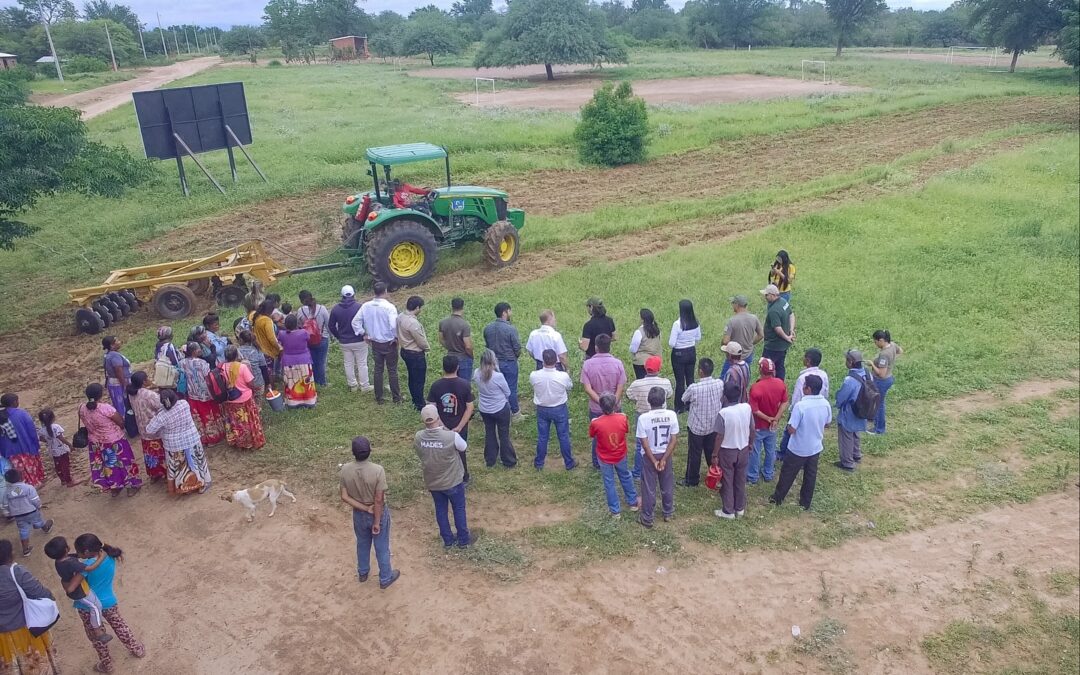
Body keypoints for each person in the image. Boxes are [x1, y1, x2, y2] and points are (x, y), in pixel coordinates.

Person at [73, 534, 146, 673]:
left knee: (97, 635)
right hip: (108, 602)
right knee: (120, 626)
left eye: (79, 551)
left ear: (87, 552)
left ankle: (107, 664)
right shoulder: (109, 555)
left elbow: (72, 587)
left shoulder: (86, 566)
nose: (77, 554)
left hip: (88, 606)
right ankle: (137, 649)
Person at [340, 437, 400, 589]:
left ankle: (363, 572)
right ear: (370, 451)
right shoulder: (378, 470)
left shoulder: (345, 469)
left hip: (358, 514)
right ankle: (386, 577)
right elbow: (378, 500)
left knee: (362, 542)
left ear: (353, 452)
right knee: (381, 545)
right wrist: (376, 521)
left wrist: (364, 508)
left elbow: (344, 496)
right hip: (377, 513)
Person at [415, 405, 472, 549]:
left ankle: (447, 540)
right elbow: (463, 447)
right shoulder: (451, 436)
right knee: (458, 508)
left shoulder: (419, 437)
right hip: (452, 480)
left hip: (433, 481)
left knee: (441, 510)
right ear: (438, 418)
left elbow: (420, 452)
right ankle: (463, 540)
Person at [770, 375, 830, 510]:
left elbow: (791, 430)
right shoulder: (825, 404)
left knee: (788, 474)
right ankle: (805, 502)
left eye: (804, 386)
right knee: (810, 475)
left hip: (798, 448)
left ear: (808, 389)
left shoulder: (801, 406)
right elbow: (827, 423)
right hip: (815, 447)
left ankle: (778, 498)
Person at [0, 540, 59, 672]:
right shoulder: (16, 572)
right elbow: (40, 593)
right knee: (35, 667)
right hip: (25, 630)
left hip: (2, 637)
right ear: (10, 555)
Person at [78, 384, 142, 497]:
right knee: (125, 463)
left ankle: (115, 486)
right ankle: (133, 485)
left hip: (95, 443)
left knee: (107, 466)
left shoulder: (82, 408)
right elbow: (121, 422)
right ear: (100, 394)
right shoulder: (105, 408)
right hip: (114, 441)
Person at [44, 536, 111, 643]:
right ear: (66, 549)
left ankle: (98, 630)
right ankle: (98, 631)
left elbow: (75, 556)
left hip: (74, 588)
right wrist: (101, 557)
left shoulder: (59, 561)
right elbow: (90, 568)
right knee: (96, 606)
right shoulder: (70, 563)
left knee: (94, 605)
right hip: (80, 591)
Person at [145, 389, 212, 495]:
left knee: (180, 468)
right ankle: (204, 482)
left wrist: (158, 415)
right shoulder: (184, 404)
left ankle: (186, 487)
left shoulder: (162, 416)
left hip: (174, 446)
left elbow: (149, 430)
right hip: (192, 439)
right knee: (199, 462)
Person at [580, 333, 627, 470]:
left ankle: (597, 462)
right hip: (615, 406)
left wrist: (601, 402)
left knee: (597, 435)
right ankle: (618, 458)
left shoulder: (588, 364)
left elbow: (588, 389)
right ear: (609, 347)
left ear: (596, 347)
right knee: (617, 434)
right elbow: (620, 386)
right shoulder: (618, 363)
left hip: (596, 408)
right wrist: (613, 402)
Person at [588, 394, 639, 517]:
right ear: (615, 405)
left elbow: (592, 435)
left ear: (601, 406)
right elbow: (627, 430)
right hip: (620, 454)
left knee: (609, 482)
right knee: (625, 476)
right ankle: (633, 503)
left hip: (604, 457)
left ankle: (615, 510)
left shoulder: (596, 422)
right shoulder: (623, 417)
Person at [636, 387, 679, 528]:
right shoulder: (671, 415)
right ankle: (668, 512)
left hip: (650, 455)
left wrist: (654, 460)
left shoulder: (643, 418)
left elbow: (644, 442)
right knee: (666, 483)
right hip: (665, 452)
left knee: (649, 487)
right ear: (664, 401)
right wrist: (664, 458)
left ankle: (647, 517)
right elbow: (673, 439)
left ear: (649, 401)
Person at [427, 355, 475, 484]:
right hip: (460, 425)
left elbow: (431, 407)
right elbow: (470, 408)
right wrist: (460, 426)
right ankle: (464, 477)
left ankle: (444, 477)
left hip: (441, 426)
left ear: (443, 368)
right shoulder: (464, 384)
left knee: (442, 451)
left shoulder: (436, 386)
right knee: (461, 450)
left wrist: (442, 425)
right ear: (457, 367)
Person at [712, 381, 755, 520]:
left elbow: (719, 436)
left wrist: (714, 454)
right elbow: (752, 428)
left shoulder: (723, 413)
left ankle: (728, 511)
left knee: (728, 480)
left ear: (724, 396)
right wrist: (750, 443)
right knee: (740, 479)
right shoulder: (746, 408)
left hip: (727, 451)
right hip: (743, 448)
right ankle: (740, 508)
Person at [625, 356, 673, 480]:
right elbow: (669, 395)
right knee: (663, 441)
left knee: (640, 444)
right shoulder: (665, 382)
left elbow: (629, 395)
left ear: (645, 368)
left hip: (642, 415)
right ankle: (663, 465)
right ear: (659, 368)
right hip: (661, 416)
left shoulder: (637, 384)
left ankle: (637, 472)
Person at [679, 358, 724, 487]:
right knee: (712, 451)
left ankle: (692, 479)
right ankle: (715, 473)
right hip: (713, 425)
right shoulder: (719, 384)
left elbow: (683, 399)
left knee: (694, 454)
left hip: (697, 427)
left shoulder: (694, 388)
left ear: (700, 371)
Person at [780, 348, 831, 458]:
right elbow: (826, 391)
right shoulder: (823, 374)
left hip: (802, 408)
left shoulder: (803, 378)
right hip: (818, 406)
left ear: (808, 361)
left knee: (790, 430)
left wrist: (792, 411)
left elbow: (797, 397)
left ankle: (784, 452)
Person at [530, 349, 575, 471]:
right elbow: (569, 387)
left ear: (543, 360)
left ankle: (539, 463)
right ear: (556, 360)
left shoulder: (534, 375)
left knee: (543, 437)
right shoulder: (562, 376)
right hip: (559, 408)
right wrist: (568, 372)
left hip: (542, 409)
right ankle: (569, 463)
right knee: (563, 436)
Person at [747, 358, 788, 485]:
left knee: (755, 451)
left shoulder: (756, 387)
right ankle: (768, 473)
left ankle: (752, 475)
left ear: (760, 370)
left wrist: (767, 418)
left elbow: (754, 410)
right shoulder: (780, 383)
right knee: (771, 450)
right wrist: (775, 418)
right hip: (773, 426)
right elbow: (785, 402)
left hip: (759, 425)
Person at [473, 350, 517, 469]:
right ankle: (508, 460)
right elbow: (507, 392)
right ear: (493, 362)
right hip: (500, 408)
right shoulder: (498, 376)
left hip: (485, 409)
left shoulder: (477, 373)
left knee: (490, 433)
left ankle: (490, 459)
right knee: (504, 434)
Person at [361, 282, 402, 405]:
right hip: (389, 343)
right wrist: (396, 337)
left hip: (375, 343)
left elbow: (355, 321)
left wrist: (364, 333)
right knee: (392, 370)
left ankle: (379, 397)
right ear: (385, 292)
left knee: (378, 369)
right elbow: (393, 325)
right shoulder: (389, 307)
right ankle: (396, 398)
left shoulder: (365, 306)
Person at [179, 343, 226, 445]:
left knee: (199, 417)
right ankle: (214, 438)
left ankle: (203, 438)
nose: (200, 350)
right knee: (210, 415)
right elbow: (208, 377)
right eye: (199, 349)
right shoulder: (202, 363)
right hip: (205, 394)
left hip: (192, 394)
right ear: (194, 351)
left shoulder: (182, 363)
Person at [220, 346, 266, 449]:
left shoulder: (222, 367)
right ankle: (253, 441)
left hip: (230, 400)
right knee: (249, 421)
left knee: (237, 422)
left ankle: (240, 442)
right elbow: (250, 383)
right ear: (236, 355)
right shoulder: (242, 367)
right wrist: (253, 389)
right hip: (245, 399)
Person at [482, 302, 523, 418]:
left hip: (493, 363)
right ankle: (515, 413)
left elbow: (487, 345)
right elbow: (517, 347)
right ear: (505, 312)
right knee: (511, 388)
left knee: (496, 387)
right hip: (509, 362)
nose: (511, 313)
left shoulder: (487, 328)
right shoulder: (510, 329)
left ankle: (501, 410)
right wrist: (514, 357)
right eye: (510, 311)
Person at [329, 285, 372, 393]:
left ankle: (353, 385)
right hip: (359, 340)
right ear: (353, 294)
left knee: (348, 363)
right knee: (362, 363)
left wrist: (338, 336)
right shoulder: (359, 307)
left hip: (344, 341)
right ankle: (364, 386)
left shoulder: (336, 309)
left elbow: (331, 326)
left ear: (342, 295)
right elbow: (366, 322)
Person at [127, 372, 167, 483]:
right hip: (155, 428)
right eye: (148, 378)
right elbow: (161, 407)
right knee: (161, 451)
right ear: (144, 381)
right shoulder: (150, 395)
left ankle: (154, 474)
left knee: (150, 452)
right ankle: (166, 472)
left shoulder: (132, 394)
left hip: (142, 428)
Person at [3, 469, 53, 556]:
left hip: (18, 515)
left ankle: (26, 550)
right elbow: (35, 500)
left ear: (7, 481)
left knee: (23, 530)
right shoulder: (28, 487)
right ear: (21, 477)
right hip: (31, 511)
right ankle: (46, 528)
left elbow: (5, 504)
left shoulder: (7, 492)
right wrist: (39, 506)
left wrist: (8, 512)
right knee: (39, 520)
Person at [0, 395, 46, 488]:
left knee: (19, 470)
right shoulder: (21, 413)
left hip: (9, 451)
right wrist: (36, 444)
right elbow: (31, 430)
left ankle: (25, 486)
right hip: (26, 447)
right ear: (14, 403)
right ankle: (34, 484)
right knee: (30, 467)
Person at [393, 295, 430, 410]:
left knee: (412, 377)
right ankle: (420, 404)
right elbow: (421, 341)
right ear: (417, 307)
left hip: (405, 351)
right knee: (419, 380)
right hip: (415, 354)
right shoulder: (413, 323)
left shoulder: (400, 317)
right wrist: (427, 348)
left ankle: (415, 400)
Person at [835, 350, 868, 472]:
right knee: (856, 433)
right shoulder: (866, 373)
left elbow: (842, 398)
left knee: (846, 436)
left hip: (850, 412)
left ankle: (847, 462)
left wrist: (837, 404)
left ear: (851, 362)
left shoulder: (850, 380)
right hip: (862, 409)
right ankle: (856, 454)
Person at [278, 315, 318, 409]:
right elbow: (309, 339)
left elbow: (279, 343)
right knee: (306, 381)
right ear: (296, 324)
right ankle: (309, 401)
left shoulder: (282, 334)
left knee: (291, 382)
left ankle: (292, 403)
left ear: (286, 324)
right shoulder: (303, 332)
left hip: (288, 362)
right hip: (303, 360)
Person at [668, 299, 701, 412]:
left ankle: (679, 406)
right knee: (690, 378)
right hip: (691, 351)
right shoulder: (695, 322)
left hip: (679, 354)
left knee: (680, 381)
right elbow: (698, 338)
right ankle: (691, 403)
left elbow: (671, 343)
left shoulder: (678, 324)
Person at [721, 295, 763, 379]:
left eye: (733, 303)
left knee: (724, 378)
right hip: (748, 354)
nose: (732, 305)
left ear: (737, 305)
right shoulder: (754, 318)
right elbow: (761, 335)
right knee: (744, 376)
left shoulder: (732, 321)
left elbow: (725, 341)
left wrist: (723, 345)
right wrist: (751, 343)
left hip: (733, 356)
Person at [869, 330, 902, 435]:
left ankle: (879, 429)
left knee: (879, 404)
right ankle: (874, 419)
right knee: (877, 402)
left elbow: (881, 374)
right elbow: (900, 351)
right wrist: (891, 362)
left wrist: (872, 364)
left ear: (881, 340)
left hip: (882, 381)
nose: (875, 344)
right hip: (889, 378)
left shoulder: (884, 354)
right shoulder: (892, 344)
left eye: (876, 342)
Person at [760, 284, 795, 381]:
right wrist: (791, 331)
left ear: (772, 295)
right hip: (783, 345)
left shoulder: (774, 311)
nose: (765, 297)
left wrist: (786, 336)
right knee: (780, 366)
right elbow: (791, 314)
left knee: (765, 367)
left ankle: (766, 385)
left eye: (766, 295)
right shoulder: (784, 302)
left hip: (773, 345)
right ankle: (780, 384)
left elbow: (777, 328)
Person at [298, 291, 331, 387]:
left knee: (311, 361)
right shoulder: (322, 309)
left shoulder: (301, 311)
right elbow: (328, 324)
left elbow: (299, 325)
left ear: (301, 301)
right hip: (322, 338)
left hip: (308, 340)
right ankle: (322, 382)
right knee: (321, 362)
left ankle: (313, 381)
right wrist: (332, 335)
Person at [438, 298, 475, 382]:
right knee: (464, 384)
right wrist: (471, 355)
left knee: (451, 383)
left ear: (452, 307)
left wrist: (450, 347)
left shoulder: (443, 322)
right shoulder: (464, 325)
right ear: (462, 308)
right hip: (463, 358)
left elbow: (441, 339)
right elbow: (468, 346)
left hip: (450, 357)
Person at [36, 409, 74, 487]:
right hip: (61, 449)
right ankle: (69, 481)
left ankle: (62, 480)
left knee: (58, 465)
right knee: (65, 465)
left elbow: (41, 439)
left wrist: (49, 440)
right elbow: (60, 438)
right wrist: (69, 445)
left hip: (52, 450)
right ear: (53, 418)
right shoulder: (56, 427)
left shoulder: (42, 430)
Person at [251, 299, 283, 386]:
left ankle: (267, 388)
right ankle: (272, 390)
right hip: (268, 351)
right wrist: (279, 347)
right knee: (270, 373)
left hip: (260, 350)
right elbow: (271, 338)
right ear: (270, 310)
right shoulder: (267, 321)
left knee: (265, 372)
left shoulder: (257, 318)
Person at [101, 336, 131, 419]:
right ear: (112, 345)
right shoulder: (114, 356)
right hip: (119, 384)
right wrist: (125, 385)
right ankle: (126, 424)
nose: (119, 342)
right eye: (116, 341)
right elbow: (119, 371)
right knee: (123, 405)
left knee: (118, 405)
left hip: (113, 384)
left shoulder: (108, 355)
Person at [629, 308, 663, 379]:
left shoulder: (639, 332)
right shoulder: (657, 330)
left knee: (642, 382)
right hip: (655, 361)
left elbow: (633, 349)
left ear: (642, 319)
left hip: (641, 362)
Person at [236, 330, 269, 402]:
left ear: (241, 340)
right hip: (258, 383)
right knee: (257, 404)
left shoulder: (237, 352)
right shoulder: (257, 351)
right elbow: (263, 368)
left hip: (243, 385)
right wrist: (267, 382)